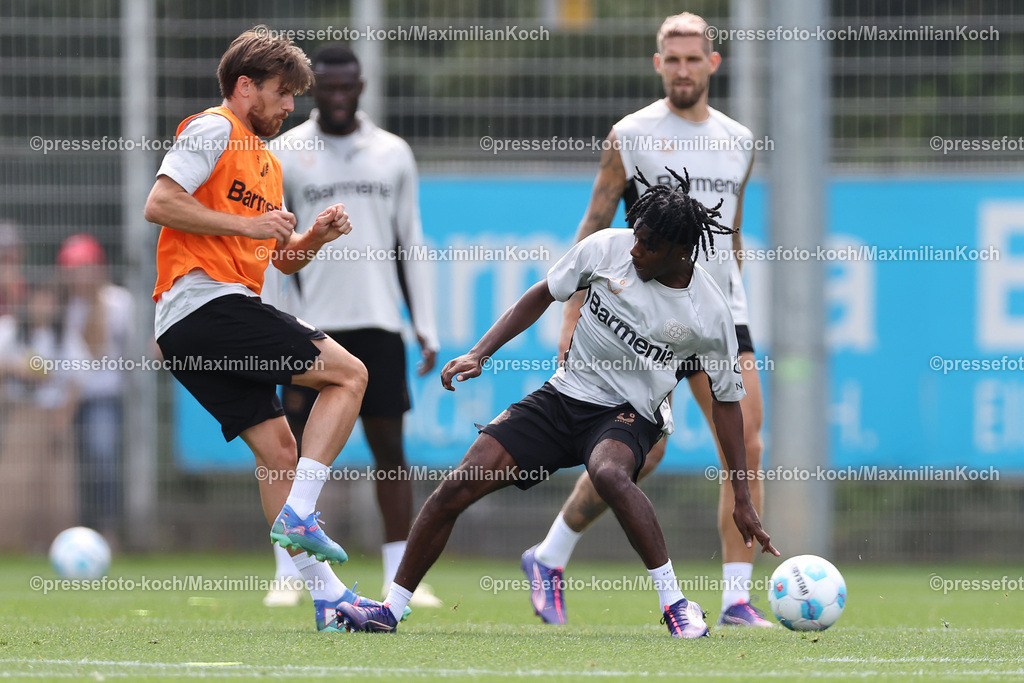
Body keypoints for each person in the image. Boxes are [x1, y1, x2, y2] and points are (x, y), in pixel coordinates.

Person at [336, 168, 779, 637]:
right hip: (564, 396)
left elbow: (727, 402)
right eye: (636, 236)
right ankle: (391, 607)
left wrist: (743, 498)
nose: (635, 249)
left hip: (629, 415)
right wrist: (479, 354)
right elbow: (541, 294)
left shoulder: (709, 312)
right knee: (459, 484)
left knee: (609, 473)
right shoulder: (607, 248)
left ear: (679, 251)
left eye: (648, 244)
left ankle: (676, 604)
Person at [521, 12, 772, 628]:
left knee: (746, 446)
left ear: (713, 64)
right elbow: (595, 224)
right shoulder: (631, 134)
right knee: (644, 457)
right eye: (673, 59)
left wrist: (736, 301)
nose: (683, 69)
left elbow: (730, 234)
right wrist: (571, 314)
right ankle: (549, 557)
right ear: (658, 64)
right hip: (648, 316)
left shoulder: (739, 141)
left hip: (716, 317)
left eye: (694, 58)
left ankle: (737, 600)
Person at [143, 27, 388, 632]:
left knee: (279, 452)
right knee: (351, 374)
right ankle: (303, 514)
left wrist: (311, 240)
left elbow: (278, 259)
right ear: (244, 86)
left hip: (200, 325)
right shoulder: (213, 128)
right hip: (205, 306)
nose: (290, 108)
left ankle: (328, 599)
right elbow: (160, 203)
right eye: (282, 94)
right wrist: (245, 227)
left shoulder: (267, 164)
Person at [260, 44, 441, 609]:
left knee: (390, 447)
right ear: (317, 91)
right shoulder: (286, 152)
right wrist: (266, 320)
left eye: (347, 86)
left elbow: (409, 240)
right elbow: (270, 245)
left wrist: (425, 326)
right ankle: (289, 573)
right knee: (286, 449)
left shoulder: (393, 153)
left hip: (380, 323)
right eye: (327, 87)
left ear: (360, 88)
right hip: (309, 327)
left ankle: (401, 574)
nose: (337, 96)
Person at [58, 234, 133, 544]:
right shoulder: (62, 304)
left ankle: (108, 530)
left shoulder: (118, 301)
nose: (81, 276)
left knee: (102, 458)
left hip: (104, 396)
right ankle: (74, 528)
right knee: (70, 467)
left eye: (86, 268)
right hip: (64, 397)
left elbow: (133, 347)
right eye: (74, 269)